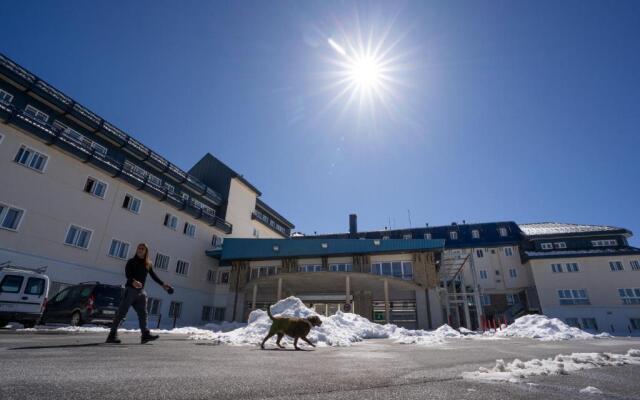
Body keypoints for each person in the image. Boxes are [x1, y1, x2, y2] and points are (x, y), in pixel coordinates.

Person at [106, 243, 173, 344]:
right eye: (139, 248)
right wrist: (133, 281)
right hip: (130, 291)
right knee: (121, 313)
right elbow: (128, 274)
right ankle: (112, 335)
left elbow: (153, 276)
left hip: (141, 293)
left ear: (146, 251)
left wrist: (163, 285)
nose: (140, 250)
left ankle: (145, 335)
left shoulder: (148, 264)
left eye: (142, 249)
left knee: (143, 314)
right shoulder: (131, 262)